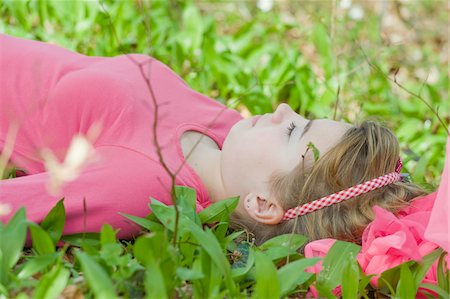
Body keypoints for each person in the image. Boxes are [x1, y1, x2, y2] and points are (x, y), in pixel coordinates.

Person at [0, 33, 437, 248]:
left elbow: (11, 212)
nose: (283, 110)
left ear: (263, 204)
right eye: (302, 117)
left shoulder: (141, 188)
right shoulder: (225, 130)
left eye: (292, 130)